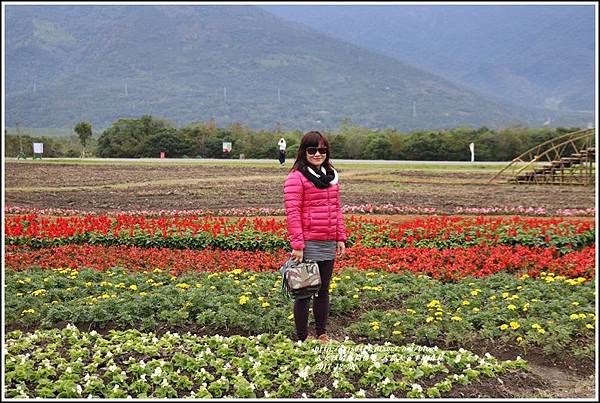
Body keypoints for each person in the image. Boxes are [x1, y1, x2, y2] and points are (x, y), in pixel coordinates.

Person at [283, 130, 347, 343]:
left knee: (323, 290)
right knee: (304, 290)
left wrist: (340, 237)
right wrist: (298, 244)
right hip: (308, 242)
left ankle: (322, 334)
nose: (318, 154)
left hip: (327, 240)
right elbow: (293, 212)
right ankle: (302, 337)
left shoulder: (330, 177)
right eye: (312, 150)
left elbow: (336, 209)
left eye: (322, 150)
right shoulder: (296, 177)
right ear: (304, 152)